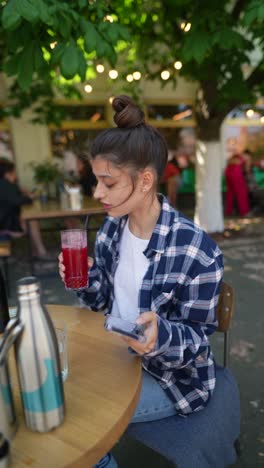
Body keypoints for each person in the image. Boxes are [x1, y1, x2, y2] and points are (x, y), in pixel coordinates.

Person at [58, 95, 224, 468]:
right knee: (53, 390)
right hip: (112, 352)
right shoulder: (112, 230)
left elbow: (197, 341)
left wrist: (159, 335)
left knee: (77, 421)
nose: (97, 193)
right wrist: (80, 277)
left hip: (170, 378)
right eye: (95, 181)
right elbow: (101, 301)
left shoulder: (197, 250)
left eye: (107, 182)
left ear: (145, 180)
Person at [0, 158, 49, 258]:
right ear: (8, 173)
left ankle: (36, 251)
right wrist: (29, 197)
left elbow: (14, 199)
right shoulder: (6, 185)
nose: (15, 174)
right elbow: (18, 201)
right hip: (5, 225)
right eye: (14, 172)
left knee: (30, 220)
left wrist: (22, 192)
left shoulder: (5, 185)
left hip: (5, 221)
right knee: (32, 221)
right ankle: (40, 251)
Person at [224, 151, 250, 216]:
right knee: (242, 193)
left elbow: (230, 162)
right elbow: (247, 170)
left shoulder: (235, 157)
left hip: (227, 173)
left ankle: (228, 211)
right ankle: (244, 212)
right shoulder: (245, 158)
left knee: (230, 193)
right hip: (236, 173)